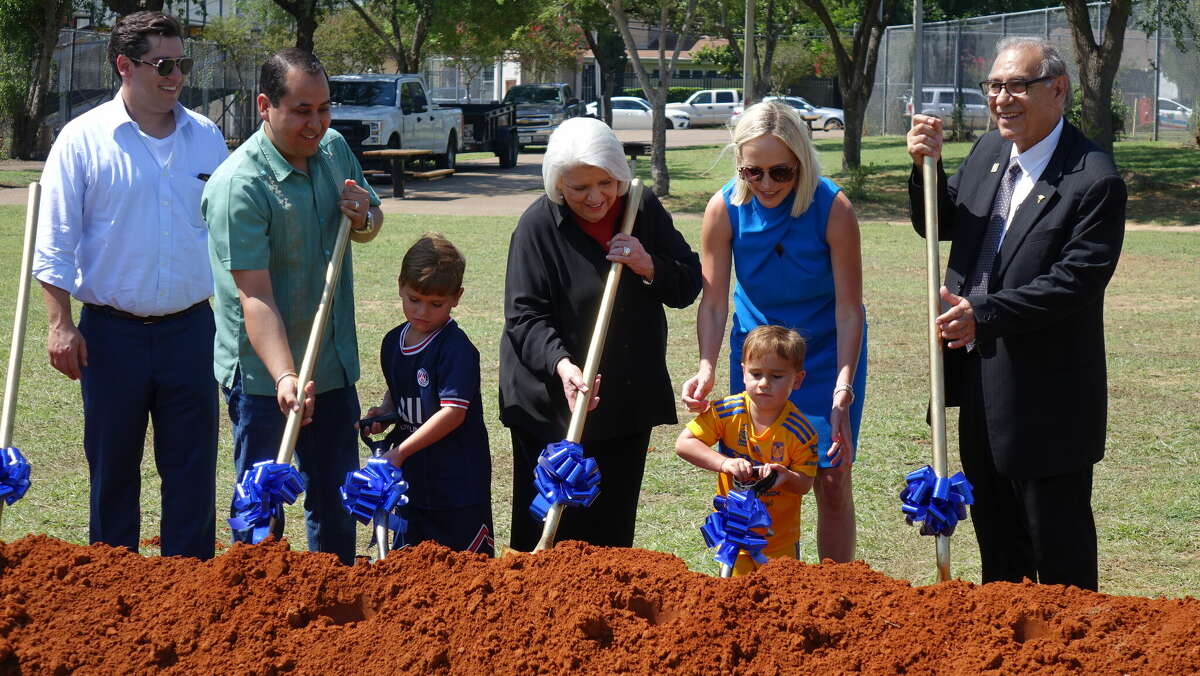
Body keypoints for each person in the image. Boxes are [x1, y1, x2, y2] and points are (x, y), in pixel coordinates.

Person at [906, 36, 1125, 591]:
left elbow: (1075, 282)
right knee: (998, 544)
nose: (1003, 99)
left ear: (1058, 90)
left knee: (1058, 551)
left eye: (1018, 86)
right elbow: (946, 221)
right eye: (995, 86)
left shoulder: (1093, 178)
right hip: (977, 380)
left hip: (1048, 398)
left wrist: (985, 312)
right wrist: (924, 169)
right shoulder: (988, 152)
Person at [32, 11, 227, 559]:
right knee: (112, 473)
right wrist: (59, 324)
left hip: (192, 334)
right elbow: (55, 240)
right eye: (163, 64)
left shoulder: (207, 138)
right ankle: (111, 592)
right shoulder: (81, 139)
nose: (176, 76)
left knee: (192, 477)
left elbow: (231, 230)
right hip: (109, 338)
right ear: (124, 66)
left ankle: (187, 598)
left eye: (181, 63)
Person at [202, 48, 384, 565]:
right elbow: (254, 295)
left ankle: (334, 619)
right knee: (263, 512)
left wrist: (365, 214)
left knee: (336, 505)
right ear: (266, 105)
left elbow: (371, 220)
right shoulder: (240, 185)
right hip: (265, 381)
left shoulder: (334, 150)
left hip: (330, 366)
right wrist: (285, 378)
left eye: (324, 108)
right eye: (302, 110)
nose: (317, 123)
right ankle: (257, 620)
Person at [500, 116, 702, 551]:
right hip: (551, 403)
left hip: (624, 402)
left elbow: (688, 283)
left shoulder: (641, 210)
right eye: (579, 188)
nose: (596, 197)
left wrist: (648, 265)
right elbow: (524, 315)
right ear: (558, 185)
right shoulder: (537, 226)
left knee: (609, 535)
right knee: (548, 529)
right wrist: (563, 366)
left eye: (606, 182)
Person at [681, 100, 867, 563]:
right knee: (754, 477)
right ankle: (761, 586)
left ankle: (836, 591)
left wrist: (843, 387)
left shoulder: (833, 208)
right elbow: (715, 300)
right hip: (759, 359)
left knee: (830, 475)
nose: (766, 184)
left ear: (801, 161)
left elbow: (850, 309)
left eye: (780, 172)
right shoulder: (723, 208)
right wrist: (705, 365)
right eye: (753, 171)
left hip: (824, 359)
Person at [362, 234, 493, 556]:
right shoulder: (393, 341)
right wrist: (383, 412)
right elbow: (400, 389)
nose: (423, 312)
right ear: (400, 287)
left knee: (465, 570)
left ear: (456, 298)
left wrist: (400, 453)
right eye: (414, 299)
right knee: (410, 563)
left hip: (457, 485)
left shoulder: (456, 350)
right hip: (413, 482)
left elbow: (453, 413)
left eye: (437, 304)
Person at [676, 325, 818, 576]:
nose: (764, 384)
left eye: (776, 376)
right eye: (756, 373)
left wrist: (786, 477)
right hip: (735, 533)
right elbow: (684, 444)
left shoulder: (801, 432)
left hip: (779, 540)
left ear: (797, 379)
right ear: (743, 372)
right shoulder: (726, 411)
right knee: (731, 599)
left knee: (780, 603)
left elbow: (805, 484)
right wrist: (725, 464)